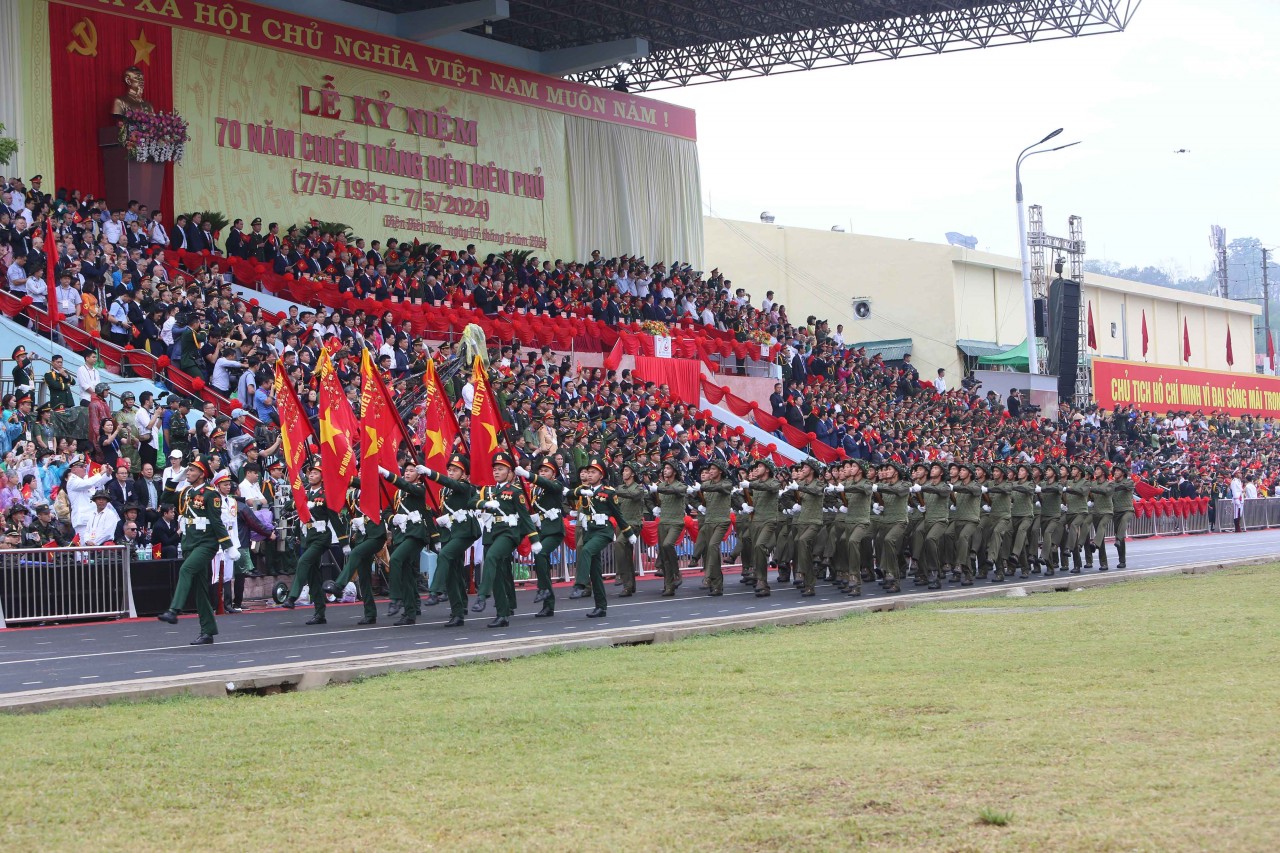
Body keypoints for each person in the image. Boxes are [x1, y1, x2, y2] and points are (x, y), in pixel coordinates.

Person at [157, 458, 237, 645]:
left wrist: (228, 546)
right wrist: (174, 480)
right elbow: (165, 499)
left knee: (186, 570)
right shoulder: (185, 492)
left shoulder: (211, 494)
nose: (188, 473)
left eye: (192, 470)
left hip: (206, 543)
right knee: (200, 589)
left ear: (201, 474)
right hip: (189, 543)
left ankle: (174, 610)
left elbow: (217, 523)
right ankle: (207, 631)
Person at [470, 451, 538, 628]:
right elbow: (471, 502)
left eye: (501, 469)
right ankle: (502, 613)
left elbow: (524, 517)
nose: (496, 472)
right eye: (495, 469)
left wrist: (534, 539)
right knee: (498, 575)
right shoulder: (487, 490)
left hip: (508, 533)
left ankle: (482, 596)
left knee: (491, 557)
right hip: (491, 533)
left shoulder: (515, 492)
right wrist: (484, 504)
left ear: (510, 473)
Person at [571, 455, 636, 618]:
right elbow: (570, 494)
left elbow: (618, 515)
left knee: (585, 551)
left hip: (603, 532)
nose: (590, 474)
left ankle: (579, 584)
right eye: (589, 471)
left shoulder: (608, 492)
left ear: (601, 475)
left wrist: (628, 532)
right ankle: (601, 607)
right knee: (595, 572)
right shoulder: (584, 491)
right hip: (589, 532)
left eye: (594, 472)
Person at [284, 462, 345, 625]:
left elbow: (334, 518)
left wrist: (344, 542)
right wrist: (301, 502)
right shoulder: (303, 493)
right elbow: (287, 506)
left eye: (316, 473)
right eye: (310, 473)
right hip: (307, 537)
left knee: (304, 561)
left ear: (322, 477)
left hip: (321, 536)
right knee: (313, 577)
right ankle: (320, 613)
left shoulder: (326, 495)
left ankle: (292, 596)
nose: (312, 475)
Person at [320, 484, 383, 626]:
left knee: (356, 554)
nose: (361, 472)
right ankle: (370, 614)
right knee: (364, 577)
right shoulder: (351, 494)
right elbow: (337, 506)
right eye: (359, 470)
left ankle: (339, 585)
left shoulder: (374, 487)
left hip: (375, 535)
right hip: (360, 537)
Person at [688, 458, 734, 596]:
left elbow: (719, 488)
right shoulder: (706, 484)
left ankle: (708, 577)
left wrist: (702, 487)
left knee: (713, 546)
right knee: (710, 552)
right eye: (709, 470)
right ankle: (717, 585)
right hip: (708, 521)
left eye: (713, 469)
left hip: (722, 521)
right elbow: (689, 497)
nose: (710, 472)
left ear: (720, 471)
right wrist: (698, 506)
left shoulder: (726, 483)